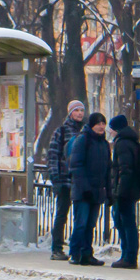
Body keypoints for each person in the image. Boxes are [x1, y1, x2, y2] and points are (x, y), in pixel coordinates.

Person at [68, 112, 110, 266]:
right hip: (83, 191)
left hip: (97, 191)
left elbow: (107, 169)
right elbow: (76, 165)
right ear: (92, 125)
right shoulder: (83, 140)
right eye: (98, 123)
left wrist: (108, 191)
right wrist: (85, 187)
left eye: (103, 123)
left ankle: (87, 253)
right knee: (81, 223)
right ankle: (75, 252)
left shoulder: (104, 144)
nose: (101, 126)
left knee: (91, 224)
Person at [47, 100, 86, 261]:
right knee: (62, 214)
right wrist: (56, 179)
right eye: (76, 110)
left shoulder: (84, 131)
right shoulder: (61, 131)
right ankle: (57, 248)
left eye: (82, 111)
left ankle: (78, 247)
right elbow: (53, 155)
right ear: (70, 113)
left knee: (80, 215)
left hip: (79, 181)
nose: (79, 114)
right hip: (64, 180)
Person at [108, 115, 140, 269]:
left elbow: (125, 169)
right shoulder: (131, 141)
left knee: (125, 222)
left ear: (116, 129)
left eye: (111, 129)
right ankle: (128, 255)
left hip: (124, 191)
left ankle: (128, 256)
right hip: (129, 189)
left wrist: (120, 191)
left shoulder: (122, 144)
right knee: (126, 221)